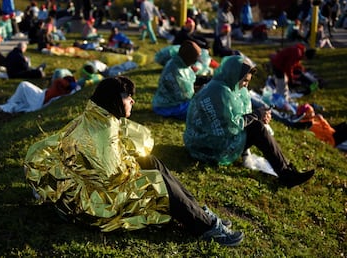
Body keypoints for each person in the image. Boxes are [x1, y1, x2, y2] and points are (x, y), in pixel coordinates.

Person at [24, 76, 244, 247]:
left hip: (84, 187)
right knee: (156, 181)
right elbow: (111, 179)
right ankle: (203, 226)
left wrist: (135, 160)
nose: (133, 101)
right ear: (117, 100)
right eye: (129, 97)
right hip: (93, 205)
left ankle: (198, 212)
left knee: (152, 162)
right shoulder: (103, 131)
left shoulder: (96, 115)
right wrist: (133, 164)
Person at [183, 55, 315, 188]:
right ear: (234, 74)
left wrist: (260, 116)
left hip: (211, 140)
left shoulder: (227, 86)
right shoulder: (220, 91)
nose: (246, 84)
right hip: (206, 148)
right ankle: (286, 174)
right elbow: (232, 127)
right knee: (256, 128)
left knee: (256, 125)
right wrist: (256, 116)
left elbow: (240, 114)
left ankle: (287, 170)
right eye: (244, 80)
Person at [152, 40, 201, 120]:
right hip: (167, 107)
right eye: (194, 59)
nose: (195, 62)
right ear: (188, 58)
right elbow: (186, 95)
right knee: (202, 108)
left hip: (167, 103)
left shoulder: (178, 63)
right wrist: (200, 90)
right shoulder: (175, 71)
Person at [0, 69, 78, 113]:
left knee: (24, 85)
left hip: (40, 99)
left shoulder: (61, 86)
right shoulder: (69, 91)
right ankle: (14, 102)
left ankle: (11, 102)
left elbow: (46, 98)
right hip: (41, 95)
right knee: (24, 90)